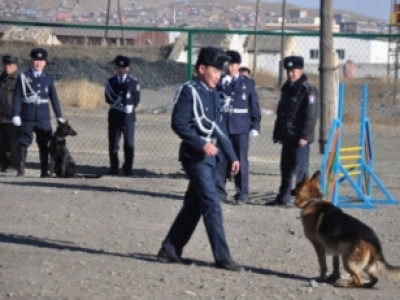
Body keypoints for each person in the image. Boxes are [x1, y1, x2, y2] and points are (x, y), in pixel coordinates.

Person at [157, 46, 243, 272]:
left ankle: (170, 249)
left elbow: (219, 126)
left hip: (210, 159)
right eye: (216, 70)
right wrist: (201, 143)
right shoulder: (189, 91)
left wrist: (232, 155)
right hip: (195, 156)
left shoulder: (213, 93)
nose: (219, 75)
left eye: (222, 71)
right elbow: (179, 123)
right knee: (212, 203)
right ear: (202, 69)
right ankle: (223, 257)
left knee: (193, 206)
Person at [268, 55, 318, 206]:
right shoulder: (287, 88)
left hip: (299, 137)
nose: (291, 74)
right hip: (287, 136)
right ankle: (283, 198)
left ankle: (303, 201)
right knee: (286, 168)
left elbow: (311, 115)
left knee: (301, 169)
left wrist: (305, 136)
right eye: (289, 71)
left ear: (301, 70)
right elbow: (281, 113)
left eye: (294, 70)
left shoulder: (308, 90)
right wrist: (277, 133)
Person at [216, 50, 261, 204]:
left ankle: (242, 193)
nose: (230, 68)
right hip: (223, 125)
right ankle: (219, 191)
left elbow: (253, 104)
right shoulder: (220, 82)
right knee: (221, 158)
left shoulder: (247, 83)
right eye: (228, 65)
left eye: (233, 65)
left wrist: (256, 124)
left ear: (238, 65)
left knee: (241, 159)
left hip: (241, 126)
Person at [12, 48, 64, 177]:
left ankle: (44, 172)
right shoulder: (23, 77)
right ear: (31, 61)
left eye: (41, 61)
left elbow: (54, 98)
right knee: (23, 142)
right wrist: (16, 114)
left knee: (44, 144)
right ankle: (21, 171)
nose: (38, 63)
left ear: (45, 62)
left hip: (43, 117)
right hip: (27, 116)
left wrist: (59, 116)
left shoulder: (49, 78)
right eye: (36, 60)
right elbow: (17, 96)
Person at [104, 55, 140, 176]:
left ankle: (128, 169)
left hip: (128, 117)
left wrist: (128, 107)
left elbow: (136, 99)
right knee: (113, 143)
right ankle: (114, 168)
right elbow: (108, 98)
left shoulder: (134, 82)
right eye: (119, 67)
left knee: (129, 143)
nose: (121, 70)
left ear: (128, 68)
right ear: (115, 68)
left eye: (123, 67)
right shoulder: (110, 82)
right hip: (114, 115)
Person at [0, 55, 19, 172]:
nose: (7, 67)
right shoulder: (0, 79)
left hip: (12, 116)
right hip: (0, 116)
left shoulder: (19, 80)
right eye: (5, 64)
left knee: (13, 143)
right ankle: (2, 163)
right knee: (1, 143)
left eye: (10, 64)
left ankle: (14, 164)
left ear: (15, 66)